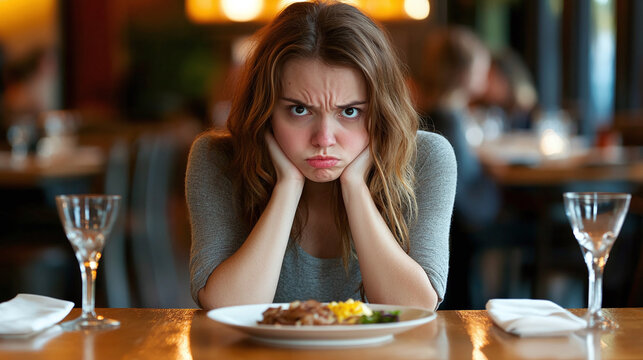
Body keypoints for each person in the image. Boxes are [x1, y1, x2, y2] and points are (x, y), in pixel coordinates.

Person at [186, 0, 456, 311]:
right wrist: (287, 187)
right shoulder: (216, 159)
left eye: (350, 111)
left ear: (380, 113)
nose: (324, 140)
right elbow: (226, 308)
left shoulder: (426, 157)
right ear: (265, 110)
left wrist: (355, 187)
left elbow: (415, 307)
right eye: (299, 110)